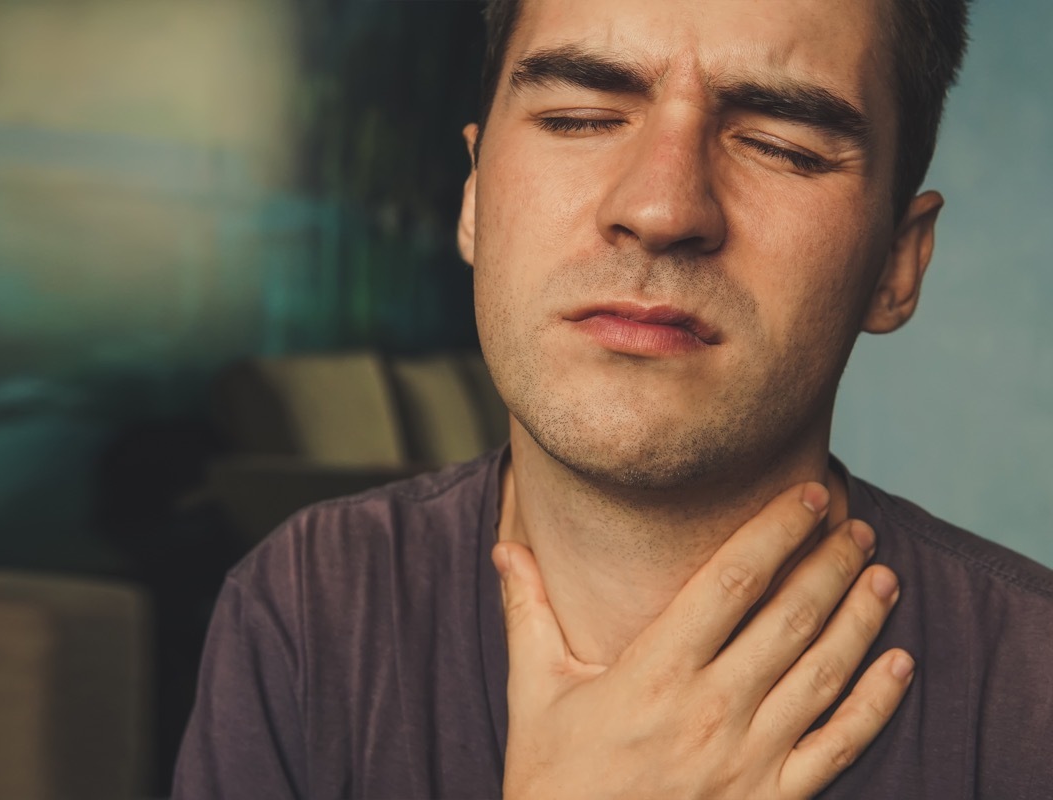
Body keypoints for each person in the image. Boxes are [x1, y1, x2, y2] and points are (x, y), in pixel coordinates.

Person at [173, 0, 1053, 797]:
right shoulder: (308, 609)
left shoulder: (1033, 691)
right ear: (476, 197)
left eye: (781, 146)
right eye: (578, 118)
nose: (663, 205)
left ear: (897, 263)